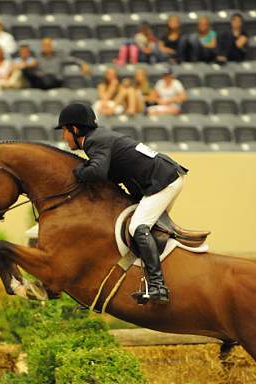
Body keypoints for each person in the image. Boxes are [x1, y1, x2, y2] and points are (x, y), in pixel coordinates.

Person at [55, 102, 188, 304]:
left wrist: (75, 171)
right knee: (143, 228)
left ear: (74, 129)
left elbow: (97, 172)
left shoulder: (93, 141)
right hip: (163, 176)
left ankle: (158, 286)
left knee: (137, 227)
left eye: (64, 131)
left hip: (164, 180)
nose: (63, 137)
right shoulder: (99, 137)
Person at [22, 37, 90, 89]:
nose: (46, 47)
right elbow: (30, 65)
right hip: (41, 80)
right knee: (27, 71)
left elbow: (73, 60)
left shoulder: (59, 56)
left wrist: (83, 64)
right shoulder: (38, 57)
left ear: (51, 46)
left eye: (48, 45)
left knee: (49, 78)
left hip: (55, 80)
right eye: (44, 45)